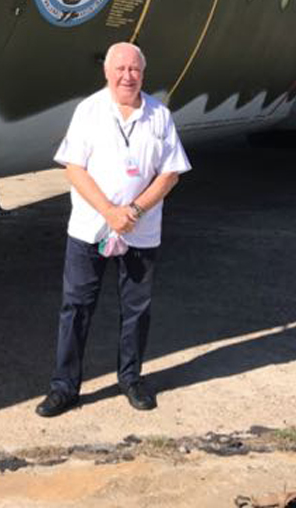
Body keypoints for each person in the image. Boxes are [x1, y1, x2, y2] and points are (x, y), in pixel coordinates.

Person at [36, 42, 191, 417]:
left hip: (140, 230)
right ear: (106, 72)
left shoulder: (159, 116)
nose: (127, 76)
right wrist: (109, 211)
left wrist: (133, 210)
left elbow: (169, 173)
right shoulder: (88, 111)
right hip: (90, 229)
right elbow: (74, 167)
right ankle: (64, 386)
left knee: (136, 309)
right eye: (120, 69)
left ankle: (131, 378)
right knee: (76, 307)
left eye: (134, 69)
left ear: (143, 73)